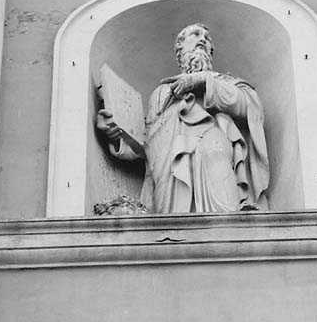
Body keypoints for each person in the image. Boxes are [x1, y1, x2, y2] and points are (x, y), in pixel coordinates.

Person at [96, 23, 269, 214]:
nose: (203, 39)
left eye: (207, 38)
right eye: (195, 35)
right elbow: (149, 144)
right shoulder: (162, 92)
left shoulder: (224, 82)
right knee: (170, 221)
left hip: (212, 141)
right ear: (180, 47)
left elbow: (251, 108)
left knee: (215, 153)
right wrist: (118, 133)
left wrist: (202, 81)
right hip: (168, 168)